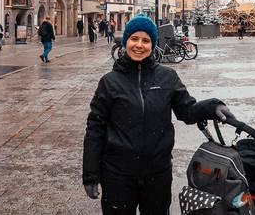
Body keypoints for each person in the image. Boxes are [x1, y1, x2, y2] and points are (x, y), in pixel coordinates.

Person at [82, 16, 233, 214]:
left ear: (152, 45)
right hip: (118, 174)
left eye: (146, 41)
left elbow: (187, 110)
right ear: (126, 41)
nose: (139, 45)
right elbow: (95, 129)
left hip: (157, 173)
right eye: (134, 39)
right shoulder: (109, 82)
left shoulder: (167, 77)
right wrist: (91, 175)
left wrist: (212, 107)